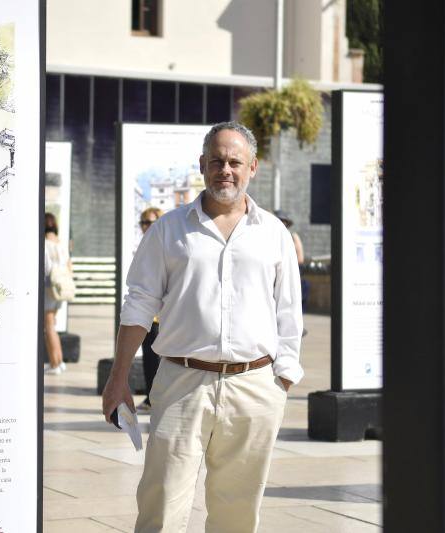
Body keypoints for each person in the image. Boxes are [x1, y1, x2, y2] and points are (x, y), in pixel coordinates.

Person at [102, 121, 303, 532]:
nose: (225, 170)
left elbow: (289, 311)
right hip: (182, 383)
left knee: (237, 512)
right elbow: (138, 304)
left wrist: (282, 378)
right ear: (202, 165)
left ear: (253, 167)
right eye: (216, 161)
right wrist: (118, 376)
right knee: (161, 505)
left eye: (234, 161)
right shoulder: (168, 229)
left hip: (255, 386)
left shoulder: (274, 234)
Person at [136, 206, 164, 413]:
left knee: (159, 357)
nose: (146, 227)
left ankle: (157, 396)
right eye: (143, 223)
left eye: (150, 222)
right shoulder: (145, 245)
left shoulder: (164, 245)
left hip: (163, 315)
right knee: (148, 357)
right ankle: (150, 395)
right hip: (148, 314)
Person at [44, 212, 70, 375]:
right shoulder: (61, 243)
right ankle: (59, 361)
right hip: (60, 287)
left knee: (48, 326)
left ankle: (54, 363)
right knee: (52, 324)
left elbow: (46, 267)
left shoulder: (45, 244)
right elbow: (69, 265)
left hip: (49, 287)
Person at [275, 210, 310, 319]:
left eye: (283, 222)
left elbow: (300, 258)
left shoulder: (292, 236)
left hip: (290, 270)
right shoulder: (269, 236)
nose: (282, 223)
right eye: (280, 221)